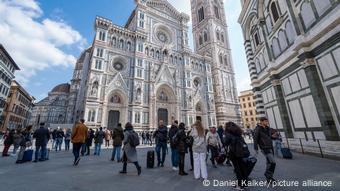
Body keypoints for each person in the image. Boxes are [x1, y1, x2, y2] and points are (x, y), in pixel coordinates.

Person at [225, 122, 250, 190]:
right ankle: (245, 184)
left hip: (234, 153)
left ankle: (240, 185)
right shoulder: (238, 133)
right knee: (242, 168)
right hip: (241, 153)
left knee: (237, 169)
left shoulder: (229, 134)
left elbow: (225, 143)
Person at [254, 117, 276, 182]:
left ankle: (269, 177)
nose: (267, 122)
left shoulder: (268, 128)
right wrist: (256, 148)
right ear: (261, 121)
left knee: (269, 162)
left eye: (267, 121)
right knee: (273, 162)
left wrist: (273, 137)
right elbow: (255, 139)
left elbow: (269, 137)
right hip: (264, 148)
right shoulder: (258, 129)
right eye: (265, 121)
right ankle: (268, 175)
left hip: (270, 147)